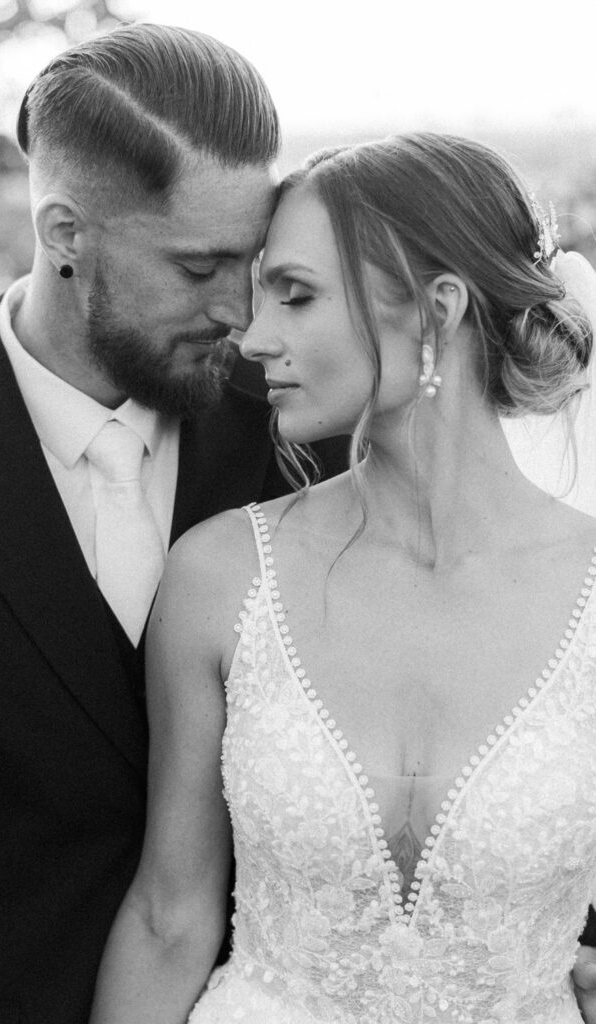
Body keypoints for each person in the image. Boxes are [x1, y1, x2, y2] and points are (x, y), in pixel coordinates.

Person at [91, 133, 596, 1024]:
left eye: (296, 296)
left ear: (436, 311)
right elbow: (168, 918)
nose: (253, 338)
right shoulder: (220, 576)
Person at [0, 23, 346, 1024]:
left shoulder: (311, 432)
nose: (239, 313)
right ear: (66, 234)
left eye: (254, 263)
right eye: (198, 268)